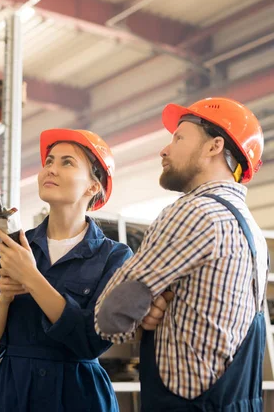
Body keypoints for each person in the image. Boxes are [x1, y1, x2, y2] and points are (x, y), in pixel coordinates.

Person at [0, 128, 170, 412]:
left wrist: (32, 277)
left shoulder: (114, 257)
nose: (51, 169)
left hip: (78, 396)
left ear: (92, 186)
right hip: (13, 394)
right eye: (49, 161)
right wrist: (4, 298)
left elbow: (91, 341)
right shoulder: (14, 248)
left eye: (67, 162)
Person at [95, 97, 268, 411]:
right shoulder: (252, 231)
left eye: (178, 138)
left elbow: (110, 316)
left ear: (214, 146)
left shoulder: (194, 212)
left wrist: (143, 313)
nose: (164, 149)